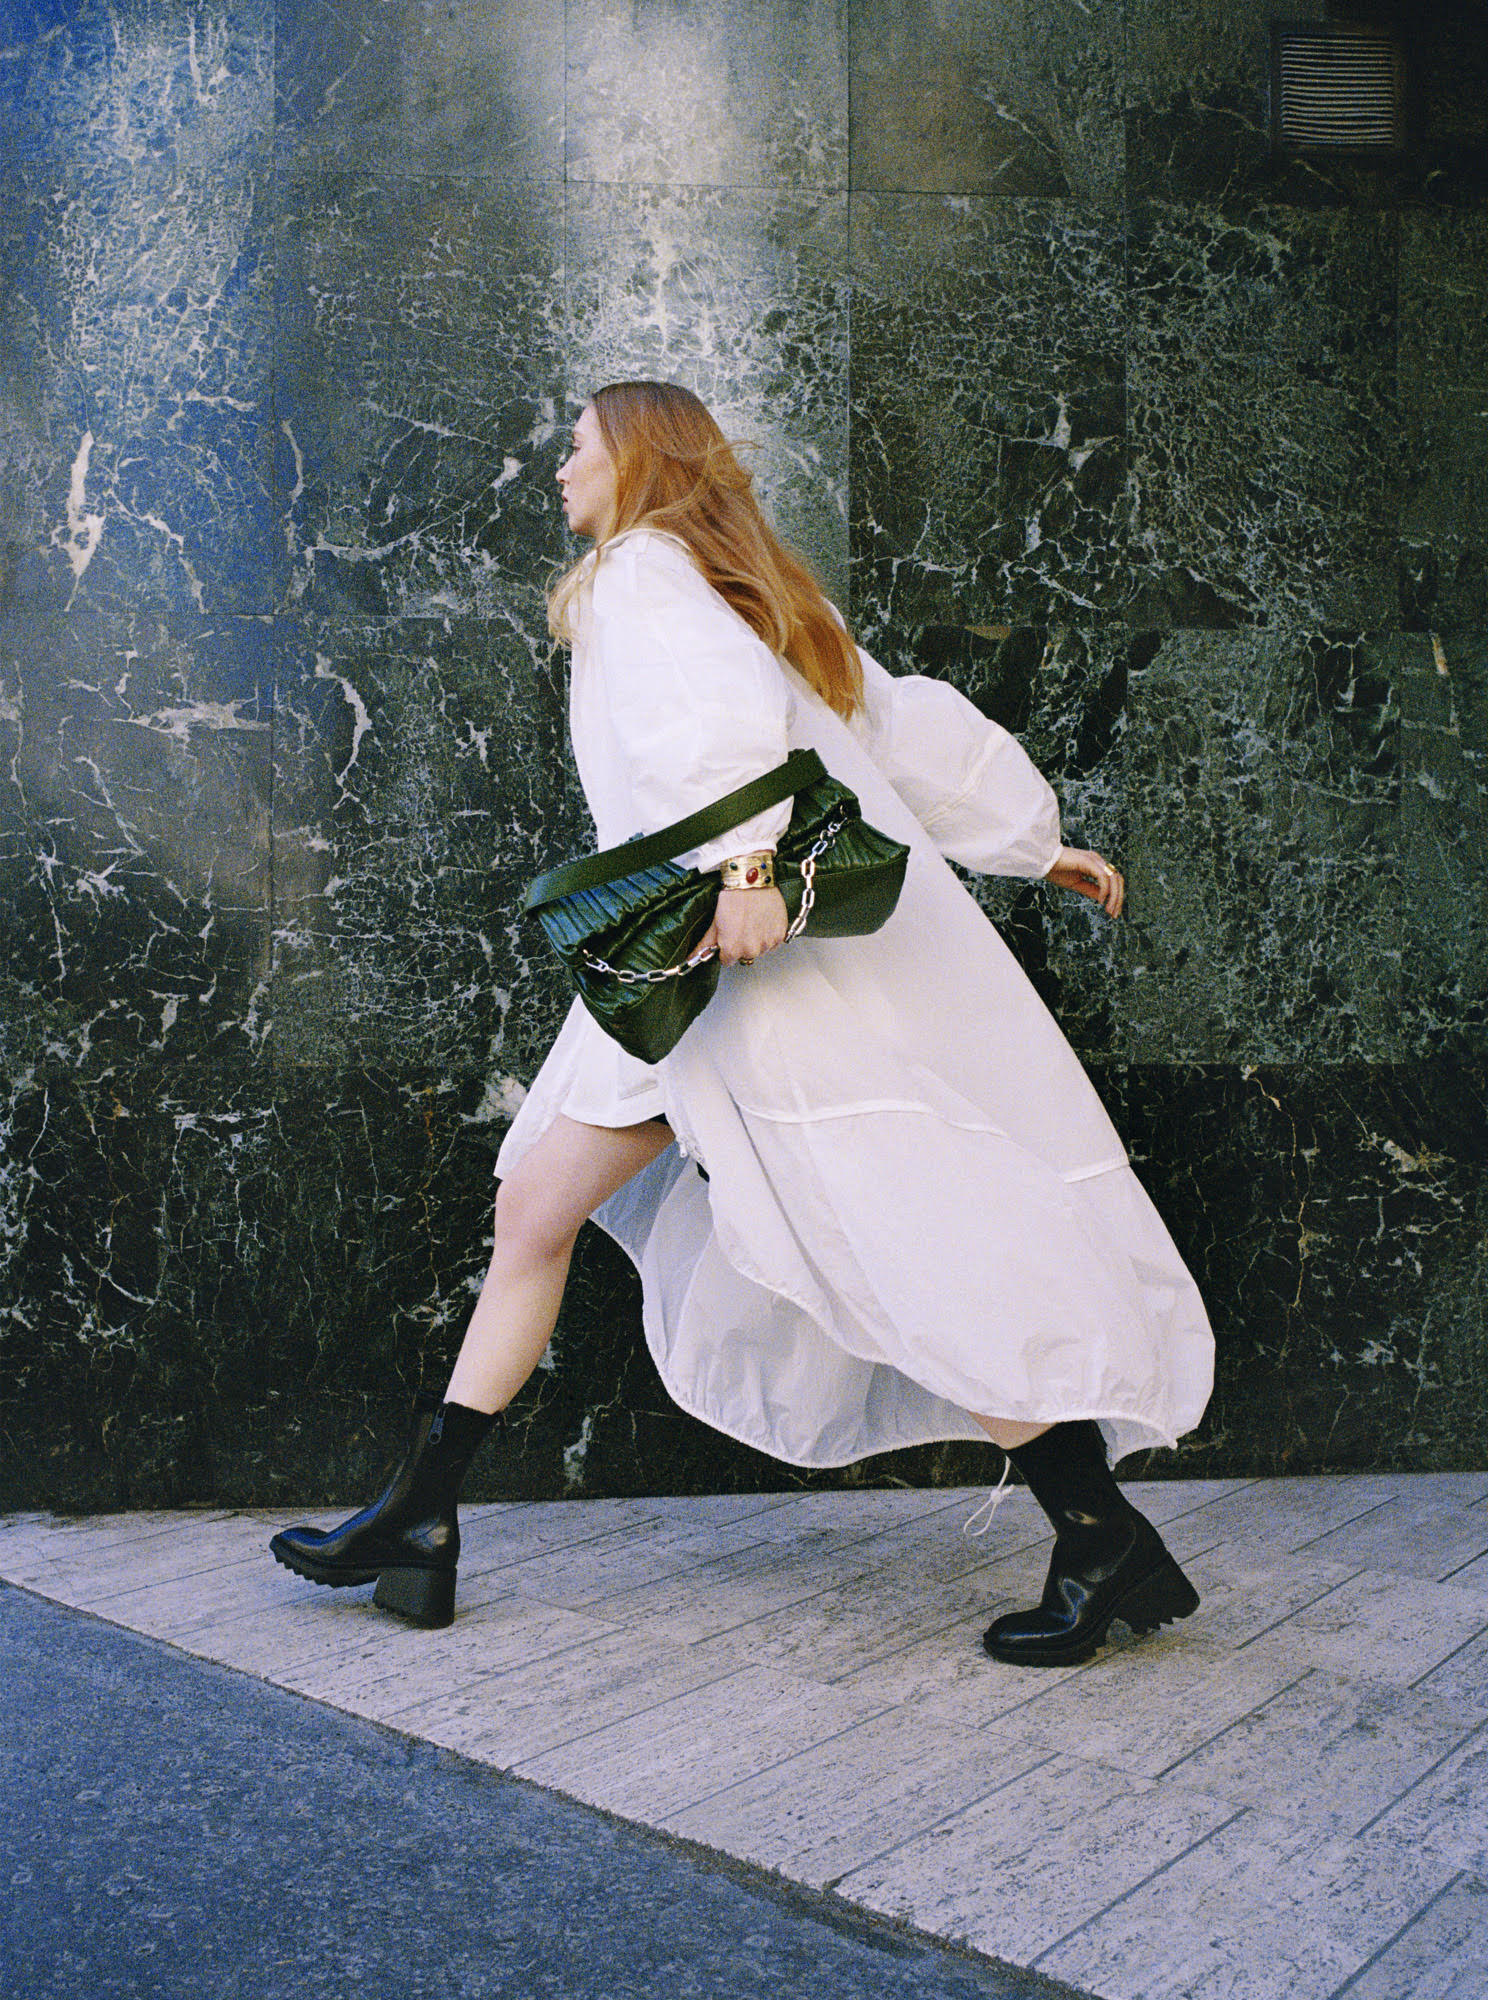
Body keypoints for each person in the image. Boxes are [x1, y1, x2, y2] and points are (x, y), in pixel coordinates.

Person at [271, 380, 1215, 1666]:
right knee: (536, 1207)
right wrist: (1028, 843)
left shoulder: (644, 570)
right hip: (672, 974)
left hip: (727, 971)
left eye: (578, 444)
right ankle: (420, 1513)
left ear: (637, 458)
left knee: (889, 1245)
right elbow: (891, 726)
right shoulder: (737, 584)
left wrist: (752, 870)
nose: (559, 467)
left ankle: (1099, 1532)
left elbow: (726, 731)